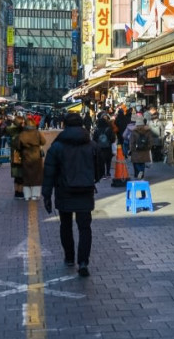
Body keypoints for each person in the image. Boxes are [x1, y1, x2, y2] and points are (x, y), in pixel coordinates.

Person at [42, 113, 100, 277]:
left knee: (65, 225)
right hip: (85, 191)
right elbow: (99, 170)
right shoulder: (92, 145)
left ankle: (69, 257)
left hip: (64, 190)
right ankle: (83, 262)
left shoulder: (57, 146)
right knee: (85, 227)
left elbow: (49, 172)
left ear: (64, 125)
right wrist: (91, 179)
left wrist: (46, 195)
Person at [17, 116, 46, 200]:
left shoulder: (22, 133)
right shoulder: (37, 132)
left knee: (26, 176)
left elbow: (18, 145)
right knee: (36, 175)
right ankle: (35, 195)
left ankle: (27, 195)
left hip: (25, 155)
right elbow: (44, 142)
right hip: (36, 156)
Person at [6, 115, 25, 199]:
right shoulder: (18, 131)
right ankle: (19, 193)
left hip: (15, 155)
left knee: (17, 176)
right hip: (19, 155)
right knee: (20, 175)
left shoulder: (13, 130)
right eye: (22, 122)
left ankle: (17, 192)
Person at [92, 113, 116, 178]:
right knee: (108, 161)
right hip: (108, 147)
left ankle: (102, 174)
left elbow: (94, 139)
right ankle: (108, 172)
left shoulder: (97, 130)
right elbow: (113, 138)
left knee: (101, 161)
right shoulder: (109, 129)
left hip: (99, 148)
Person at [129, 115, 153, 179]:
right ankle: (141, 172)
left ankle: (139, 172)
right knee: (142, 162)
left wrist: (132, 149)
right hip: (145, 150)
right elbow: (150, 141)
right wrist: (148, 147)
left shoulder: (134, 132)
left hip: (136, 150)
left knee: (136, 162)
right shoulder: (148, 131)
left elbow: (132, 142)